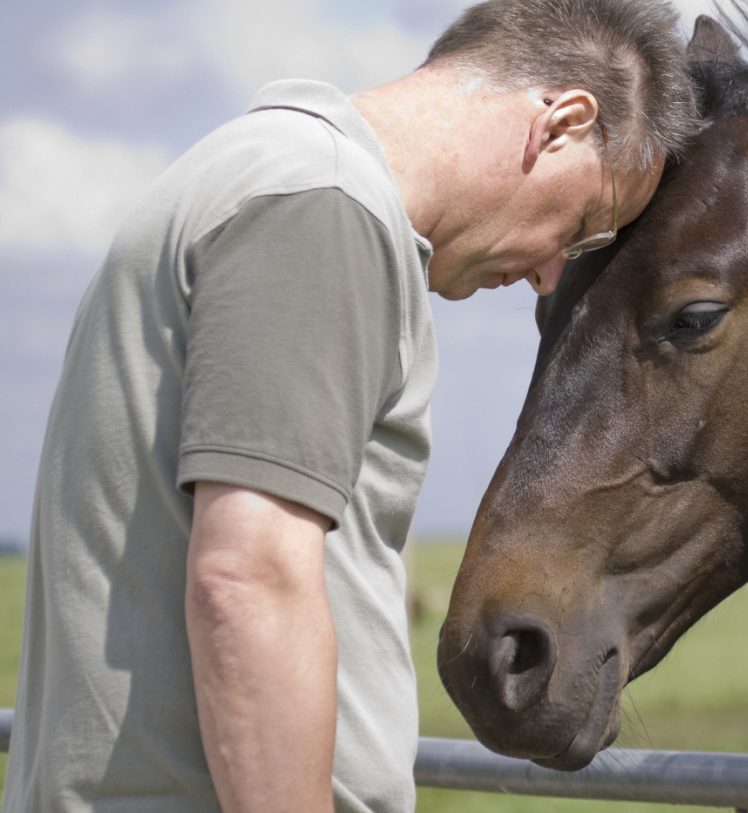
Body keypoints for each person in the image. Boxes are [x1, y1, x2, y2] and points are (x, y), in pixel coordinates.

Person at [2, 0, 698, 809]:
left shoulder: (257, 170)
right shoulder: (324, 206)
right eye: (581, 226)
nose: (550, 275)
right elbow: (249, 577)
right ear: (562, 123)